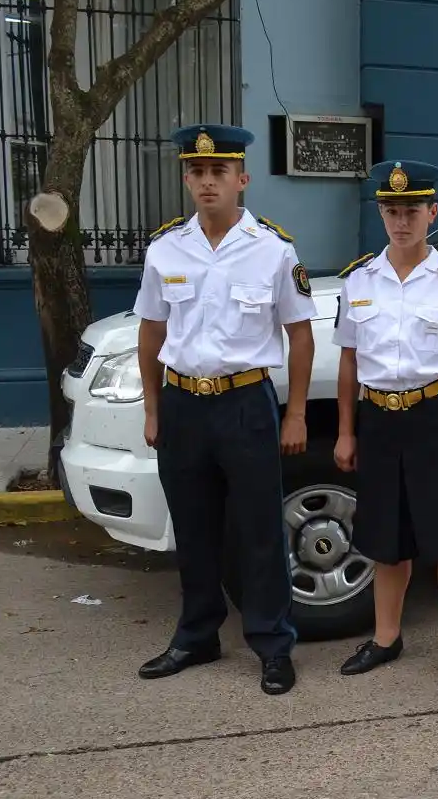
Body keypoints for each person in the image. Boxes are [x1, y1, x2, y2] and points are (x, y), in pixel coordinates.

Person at [132, 124, 316, 696]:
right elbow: (151, 331)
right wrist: (153, 408)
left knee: (259, 531)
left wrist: (297, 414)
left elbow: (301, 335)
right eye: (198, 172)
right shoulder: (166, 249)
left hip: (246, 403)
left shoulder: (274, 249)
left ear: (242, 179)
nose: (208, 182)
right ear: (187, 179)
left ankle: (271, 642)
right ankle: (197, 635)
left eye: (219, 173)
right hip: (185, 404)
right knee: (194, 527)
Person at [331, 160, 438, 689]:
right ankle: (385, 638)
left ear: (431, 212)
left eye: (412, 210)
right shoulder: (357, 282)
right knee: (385, 539)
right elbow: (349, 361)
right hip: (377, 420)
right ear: (381, 213)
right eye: (392, 211)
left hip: (434, 420)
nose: (402, 221)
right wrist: (347, 431)